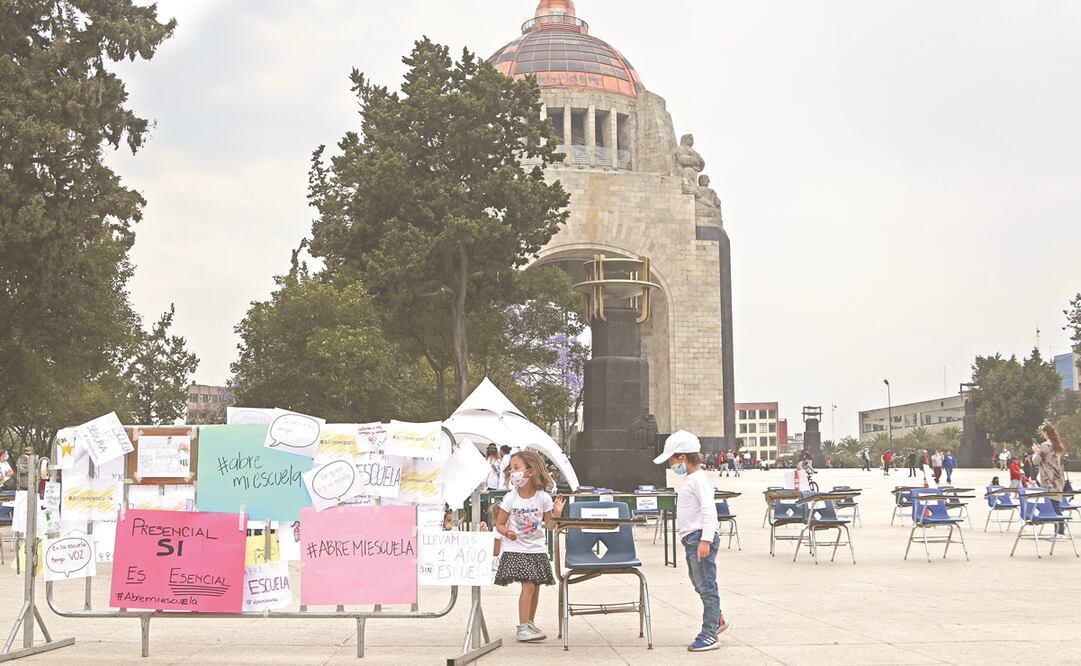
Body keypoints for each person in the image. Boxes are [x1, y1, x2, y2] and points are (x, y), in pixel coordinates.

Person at [653, 430, 729, 652]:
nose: (671, 464)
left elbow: (709, 511)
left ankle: (709, 633)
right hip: (692, 539)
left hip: (699, 539)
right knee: (699, 583)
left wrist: (705, 540)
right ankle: (717, 618)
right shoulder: (691, 479)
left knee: (706, 585)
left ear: (683, 457)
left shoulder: (698, 480)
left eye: (672, 460)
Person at [494, 450, 564, 642]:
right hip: (516, 549)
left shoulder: (543, 498)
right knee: (528, 583)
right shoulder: (510, 498)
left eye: (516, 468)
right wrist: (507, 532)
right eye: (511, 469)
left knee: (535, 586)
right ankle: (523, 626)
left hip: (536, 548)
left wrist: (556, 513)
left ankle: (529, 622)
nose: (512, 473)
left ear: (531, 471)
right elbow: (499, 524)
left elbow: (550, 526)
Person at [1032, 423, 1068, 539]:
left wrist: (1036, 451)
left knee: (1054, 506)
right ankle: (1058, 530)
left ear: (1046, 433)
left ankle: (1060, 532)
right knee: (1055, 503)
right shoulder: (1059, 446)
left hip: (1050, 480)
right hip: (1059, 479)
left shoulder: (1045, 445)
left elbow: (1036, 461)